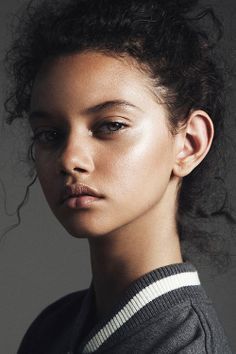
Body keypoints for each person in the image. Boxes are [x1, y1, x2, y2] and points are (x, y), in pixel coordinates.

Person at [3, 0, 235, 353]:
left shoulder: (186, 346)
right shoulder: (53, 326)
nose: (70, 158)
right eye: (49, 134)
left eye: (111, 125)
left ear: (188, 143)